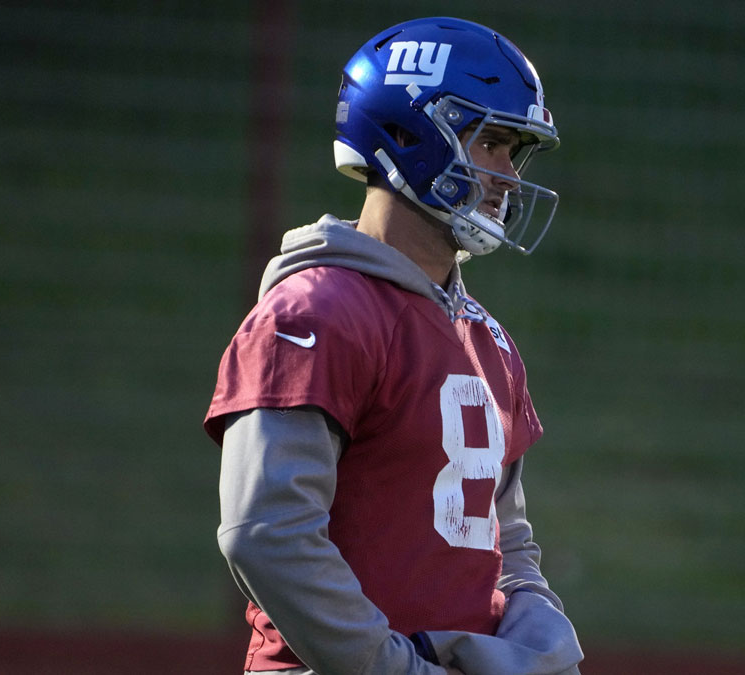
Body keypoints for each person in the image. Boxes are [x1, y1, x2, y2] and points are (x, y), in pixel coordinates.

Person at [204, 16, 582, 675]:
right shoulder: (316, 313)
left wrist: (539, 645)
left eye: (513, 151)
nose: (506, 175)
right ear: (407, 135)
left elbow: (506, 546)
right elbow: (267, 533)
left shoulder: (489, 340)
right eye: (491, 143)